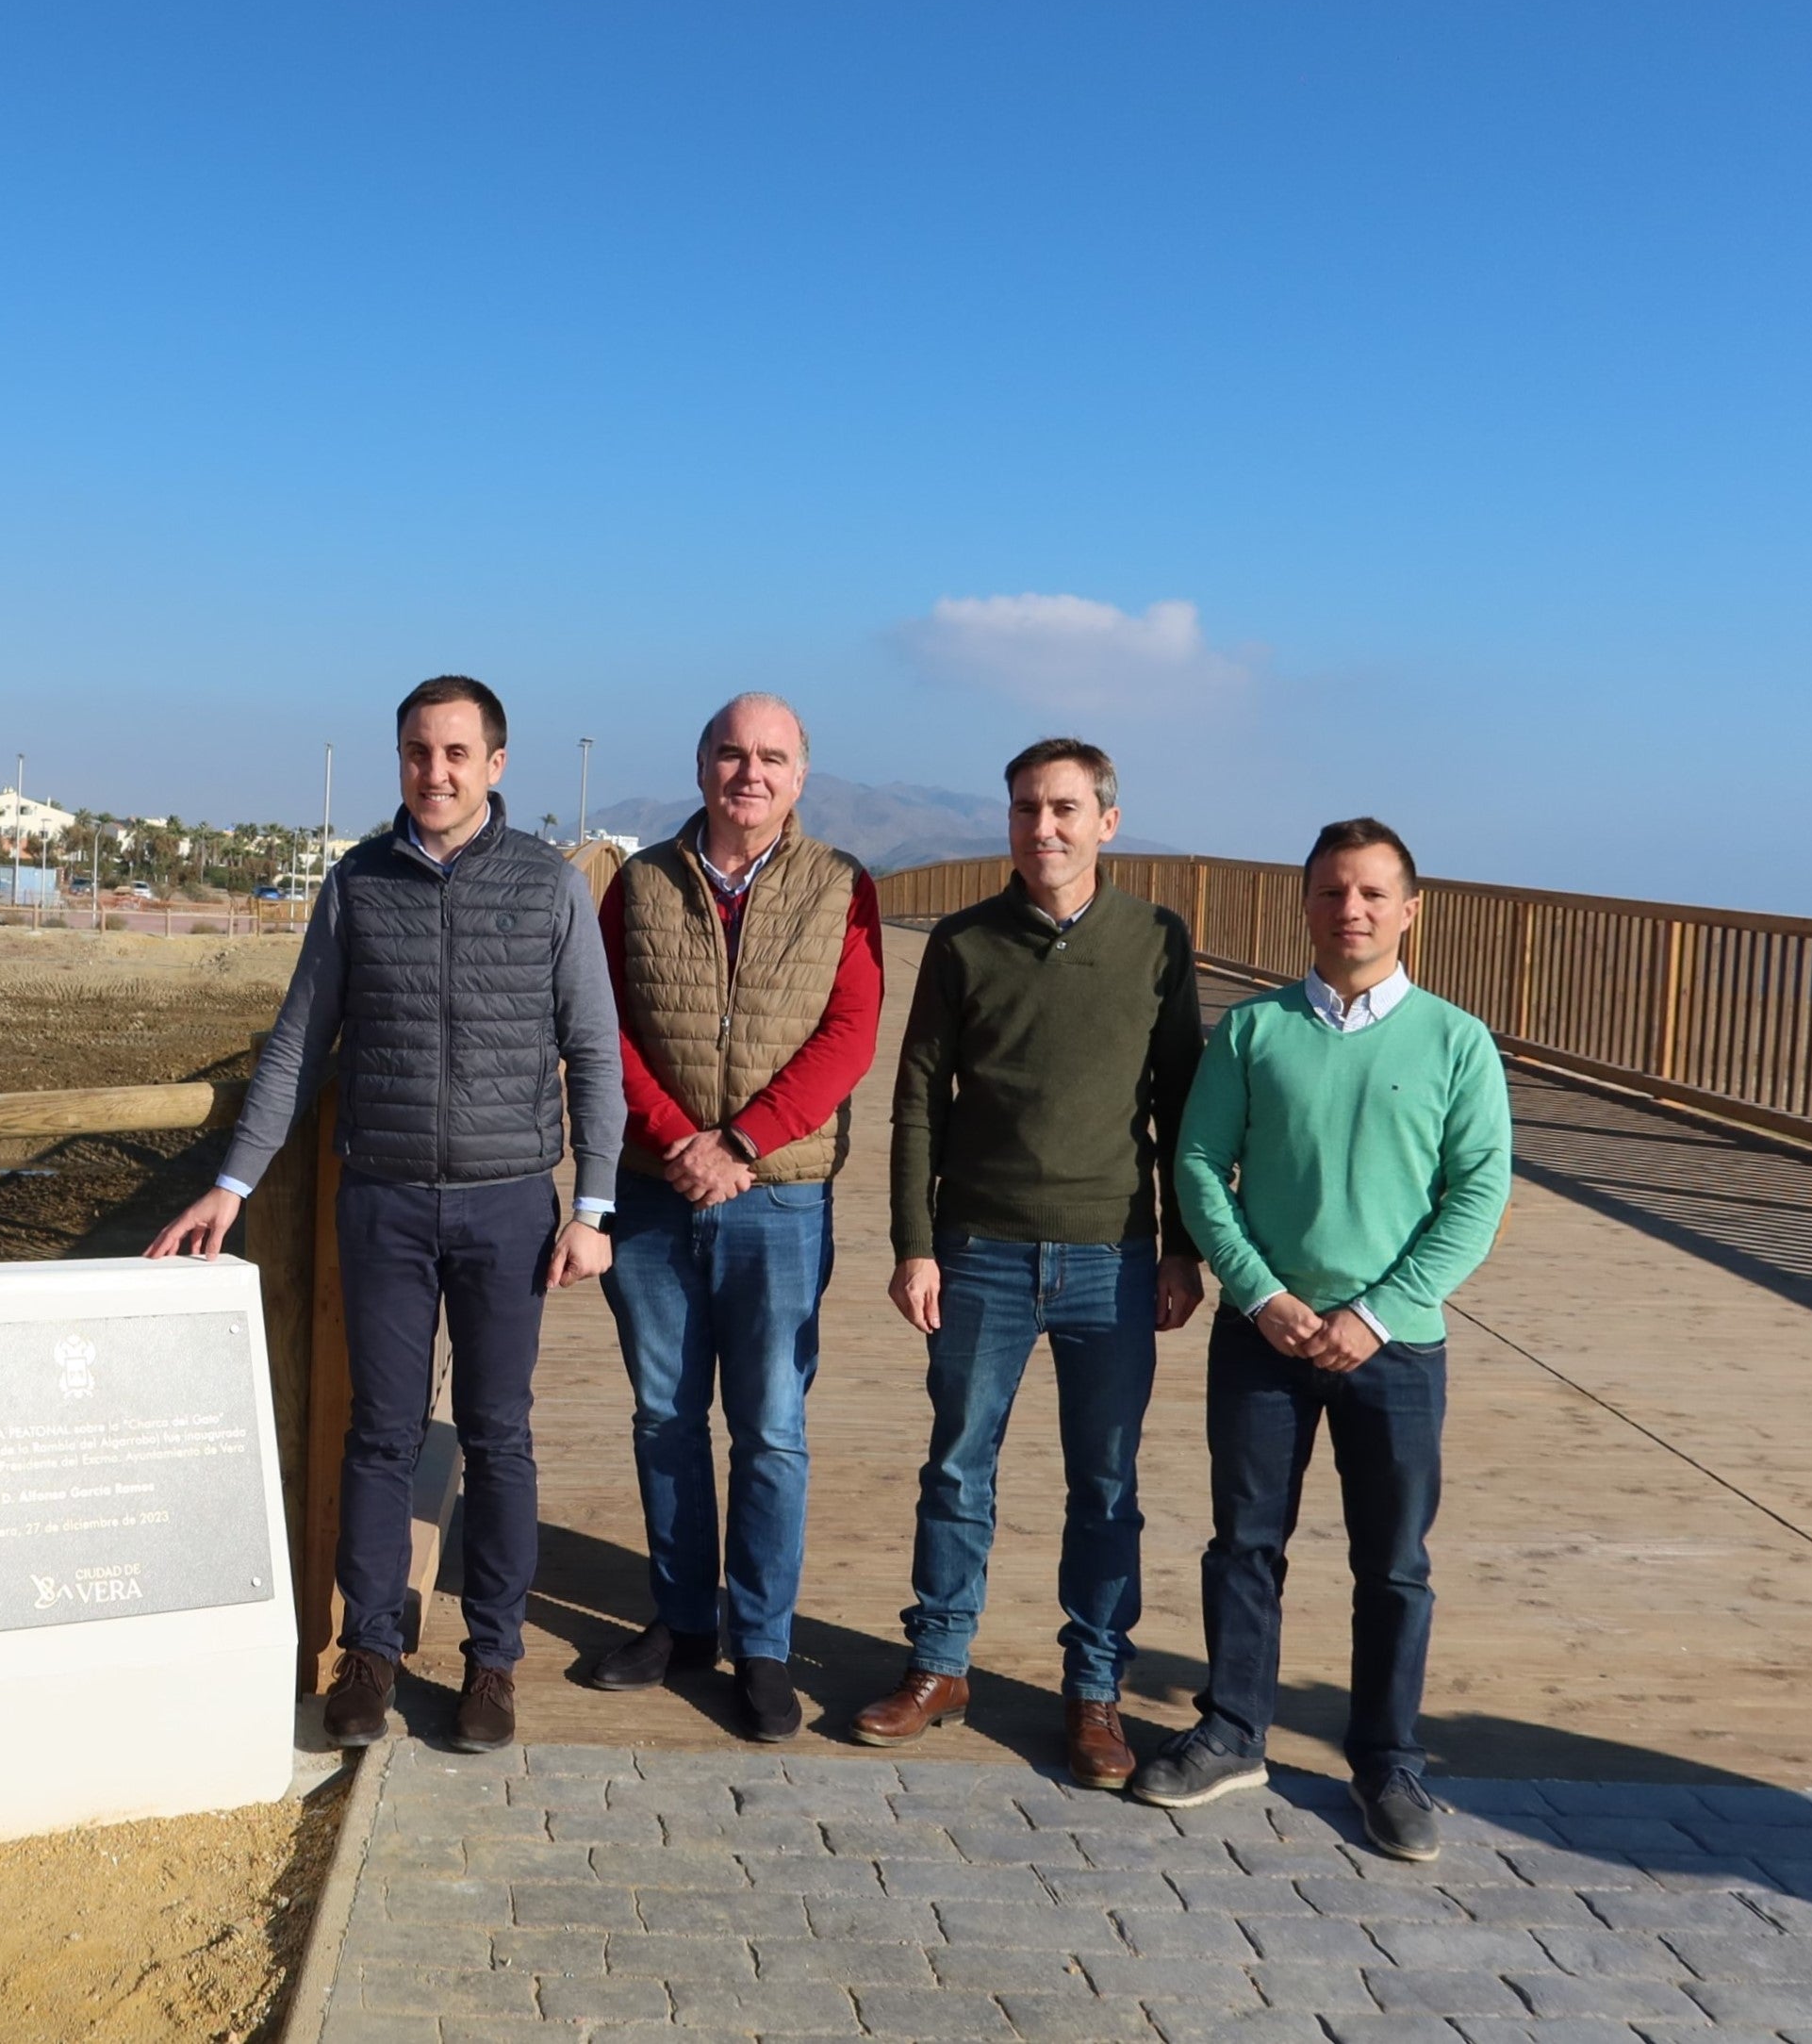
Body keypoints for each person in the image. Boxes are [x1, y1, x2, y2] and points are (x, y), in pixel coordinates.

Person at [147, 675, 621, 1754]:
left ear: (496, 766)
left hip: (510, 1205)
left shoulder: (550, 887)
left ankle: (492, 1663)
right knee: (381, 1434)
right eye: (417, 752)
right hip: (387, 1201)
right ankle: (369, 1652)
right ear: (399, 760)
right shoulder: (358, 883)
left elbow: (594, 1050)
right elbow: (296, 1043)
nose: (435, 772)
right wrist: (234, 1184)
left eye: (457, 754)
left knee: (500, 1437)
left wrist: (593, 1203)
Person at [1132, 817, 1510, 1862]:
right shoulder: (1253, 1033)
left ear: (1410, 908)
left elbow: (1477, 1193)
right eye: (1333, 892)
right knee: (1246, 1543)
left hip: (1396, 1344)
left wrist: (1376, 1312)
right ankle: (1234, 1729)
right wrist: (1258, 1294)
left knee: (1393, 1562)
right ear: (1306, 905)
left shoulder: (1455, 1041)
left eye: (1373, 894)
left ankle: (1387, 1763)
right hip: (1267, 1334)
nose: (1352, 911)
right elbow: (1200, 1167)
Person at [858, 738, 1204, 1785]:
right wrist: (914, 1244)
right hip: (980, 1251)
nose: (1041, 829)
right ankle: (940, 1663)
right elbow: (919, 1096)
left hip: (1113, 1255)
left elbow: (1182, 1102)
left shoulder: (1156, 940)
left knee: (1105, 1484)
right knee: (959, 1466)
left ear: (1107, 820)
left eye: (1062, 810)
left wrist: (1183, 1246)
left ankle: (1096, 1693)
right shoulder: (963, 943)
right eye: (1022, 810)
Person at [585, 693, 881, 1742]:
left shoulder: (843, 886)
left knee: (770, 1427)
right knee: (664, 1413)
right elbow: (602, 1022)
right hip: (656, 1188)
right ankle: (679, 1620)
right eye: (730, 754)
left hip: (780, 1195)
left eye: (771, 758)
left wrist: (744, 1142)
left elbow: (851, 1033)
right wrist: (679, 1140)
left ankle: (760, 1641)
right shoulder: (638, 883)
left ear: (801, 774)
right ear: (701, 765)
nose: (748, 773)